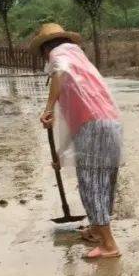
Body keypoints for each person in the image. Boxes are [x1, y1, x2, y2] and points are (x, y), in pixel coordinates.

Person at [31, 23, 123, 260]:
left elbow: (58, 72)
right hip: (110, 122)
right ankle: (96, 230)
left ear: (45, 48)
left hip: (93, 127)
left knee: (91, 185)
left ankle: (109, 245)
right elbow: (77, 120)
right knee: (104, 182)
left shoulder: (58, 55)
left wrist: (48, 108)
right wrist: (60, 155)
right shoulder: (78, 58)